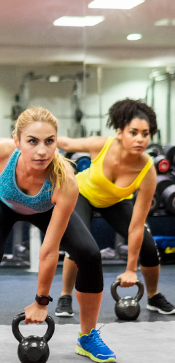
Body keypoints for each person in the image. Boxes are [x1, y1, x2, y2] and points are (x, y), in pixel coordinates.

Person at [0, 107, 116, 363]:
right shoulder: (3, 150)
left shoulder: (65, 182)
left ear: (56, 141)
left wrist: (41, 301)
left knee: (89, 254)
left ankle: (87, 336)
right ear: (17, 141)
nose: (42, 151)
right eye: (32, 141)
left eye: (49, 141)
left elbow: (50, 249)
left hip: (44, 207)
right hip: (0, 200)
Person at [54, 98, 175, 317]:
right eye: (134, 132)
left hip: (115, 201)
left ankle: (154, 296)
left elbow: (137, 226)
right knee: (79, 244)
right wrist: (37, 136)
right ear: (120, 132)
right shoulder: (102, 145)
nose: (140, 139)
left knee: (148, 245)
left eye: (145, 134)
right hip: (83, 193)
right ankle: (65, 296)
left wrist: (131, 269)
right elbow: (66, 144)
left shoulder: (147, 171)